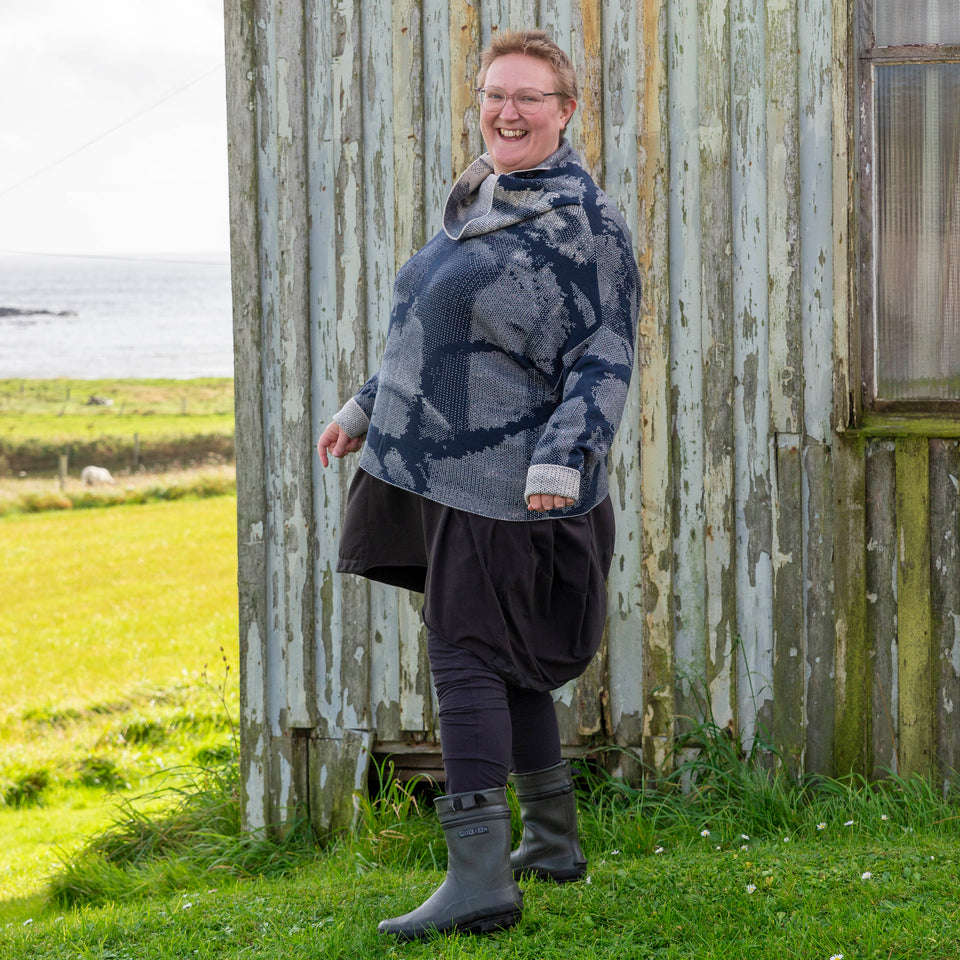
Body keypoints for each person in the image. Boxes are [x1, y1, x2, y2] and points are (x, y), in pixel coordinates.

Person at [317, 28, 640, 941]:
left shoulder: (585, 225)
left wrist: (559, 465)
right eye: (496, 93)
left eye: (530, 97)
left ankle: (479, 882)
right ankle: (550, 840)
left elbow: (603, 358)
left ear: (565, 111)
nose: (507, 111)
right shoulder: (483, 198)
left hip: (507, 485)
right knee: (500, 657)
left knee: (464, 654)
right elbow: (434, 332)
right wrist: (362, 411)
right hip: (441, 470)